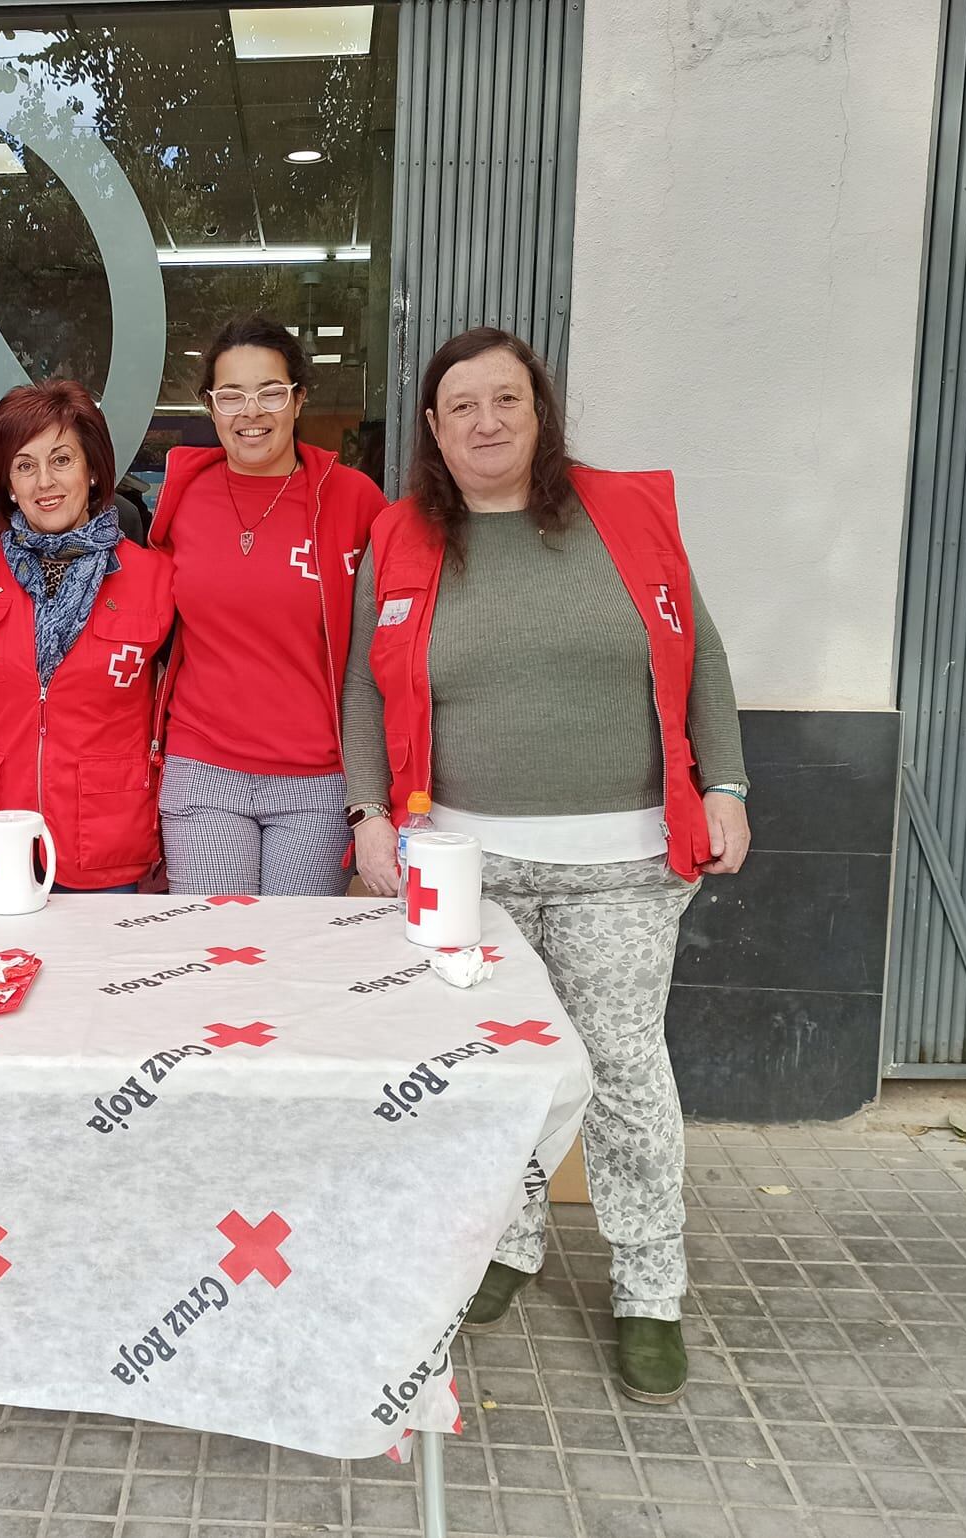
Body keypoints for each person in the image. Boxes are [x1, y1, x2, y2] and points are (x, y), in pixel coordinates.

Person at [342, 327, 751, 1405]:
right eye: (460, 405)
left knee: (619, 1077)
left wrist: (728, 784)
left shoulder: (623, 517)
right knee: (493, 1075)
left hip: (619, 860)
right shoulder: (401, 536)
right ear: (430, 428)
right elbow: (361, 690)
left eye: (505, 400)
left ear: (538, 411)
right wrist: (368, 811)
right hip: (461, 864)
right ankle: (509, 1244)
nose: (484, 421)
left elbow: (698, 649)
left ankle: (649, 1290)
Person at [148, 316, 389, 895]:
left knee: (293, 963)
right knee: (212, 951)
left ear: (299, 398)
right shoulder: (180, 498)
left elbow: (383, 647)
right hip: (204, 765)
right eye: (230, 395)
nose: (250, 412)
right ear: (210, 406)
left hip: (315, 775)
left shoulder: (354, 500)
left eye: (270, 392)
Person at [0, 381, 175, 893]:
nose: (44, 481)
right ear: (6, 483)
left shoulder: (156, 579)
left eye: (61, 460)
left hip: (104, 838)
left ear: (93, 471)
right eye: (24, 465)